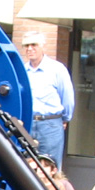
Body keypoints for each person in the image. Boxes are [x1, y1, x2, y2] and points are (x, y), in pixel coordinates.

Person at [21, 30, 74, 169]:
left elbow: (68, 98)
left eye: (34, 44)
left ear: (42, 46)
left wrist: (65, 118)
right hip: (27, 124)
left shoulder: (57, 69)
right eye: (26, 45)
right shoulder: (22, 71)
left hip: (50, 124)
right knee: (25, 166)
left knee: (51, 167)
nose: (29, 49)